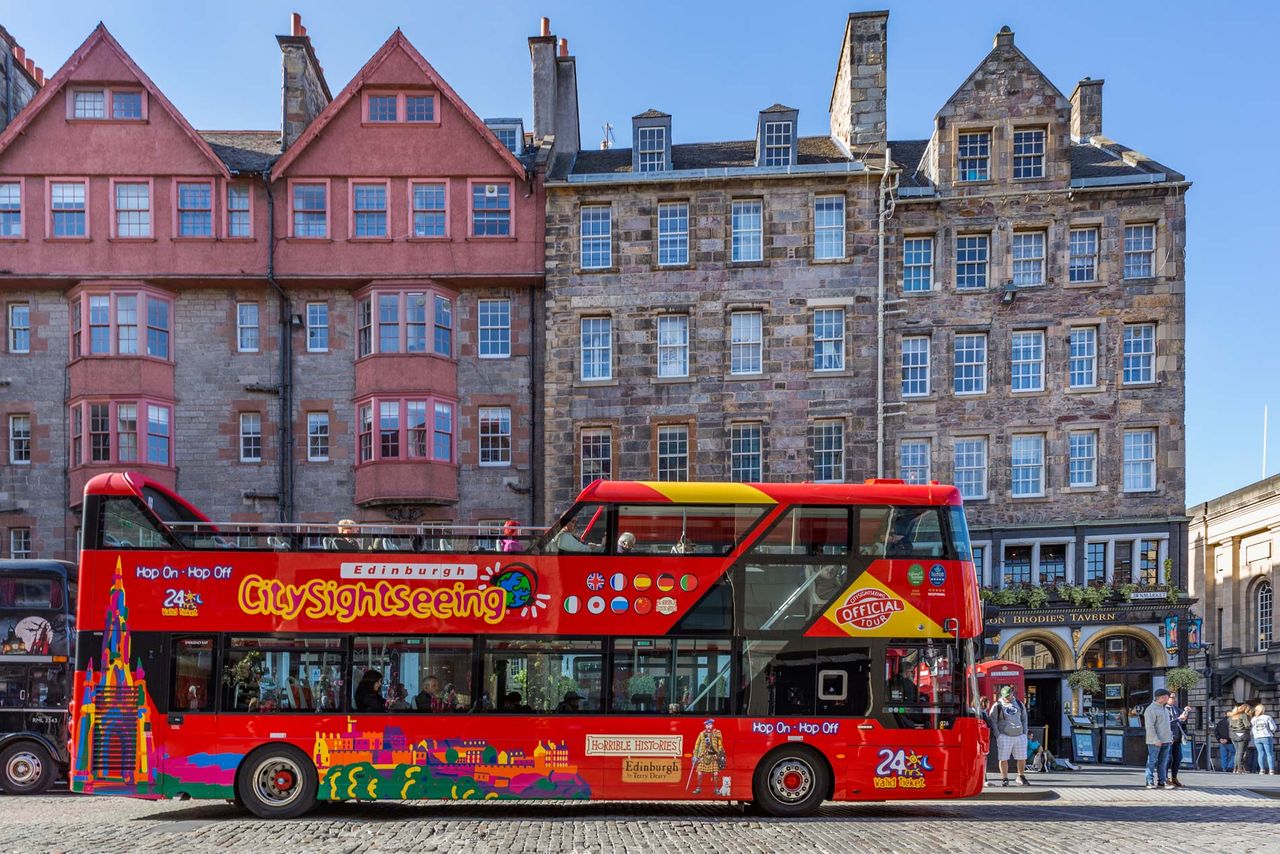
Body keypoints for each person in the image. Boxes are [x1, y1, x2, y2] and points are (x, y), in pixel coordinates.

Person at [989, 685, 1030, 786]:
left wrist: (1024, 733)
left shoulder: (1019, 704)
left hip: (1019, 735)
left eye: (1008, 695)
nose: (1007, 698)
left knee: (1022, 757)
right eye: (1005, 696)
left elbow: (1024, 719)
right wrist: (998, 734)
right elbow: (992, 720)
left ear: (1012, 693)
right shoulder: (997, 705)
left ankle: (1020, 776)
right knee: (1003, 758)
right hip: (1004, 735)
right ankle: (1005, 778)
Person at [1143, 688, 1174, 789]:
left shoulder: (1164, 709)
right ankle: (1149, 781)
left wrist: (1170, 737)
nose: (1168, 699)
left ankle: (1162, 781)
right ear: (1161, 697)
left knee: (1163, 762)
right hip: (1155, 741)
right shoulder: (1151, 710)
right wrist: (1155, 739)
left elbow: (1166, 725)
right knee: (1152, 761)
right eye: (1167, 697)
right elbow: (1149, 726)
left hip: (1166, 740)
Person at [689, 718, 726, 795]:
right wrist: (695, 755)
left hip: (713, 756)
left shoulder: (716, 733)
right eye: (707, 725)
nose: (709, 726)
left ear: (712, 725)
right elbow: (697, 744)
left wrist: (718, 753)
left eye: (710, 724)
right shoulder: (701, 734)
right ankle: (698, 788)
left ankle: (716, 789)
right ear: (705, 726)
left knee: (715, 773)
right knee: (699, 773)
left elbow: (720, 745)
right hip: (703, 756)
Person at [1166, 696, 1190, 787]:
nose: (1173, 699)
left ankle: (1174, 777)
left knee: (1178, 758)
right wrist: (1179, 718)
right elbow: (1166, 723)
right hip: (1168, 737)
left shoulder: (1175, 709)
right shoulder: (1163, 709)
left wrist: (1186, 712)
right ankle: (1165, 778)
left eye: (1174, 698)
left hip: (1177, 738)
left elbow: (1183, 719)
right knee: (1168, 759)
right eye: (1171, 697)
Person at [1251, 702, 1276, 775]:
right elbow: (1273, 727)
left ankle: (1261, 770)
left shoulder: (1253, 719)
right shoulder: (1267, 717)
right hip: (1266, 736)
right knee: (1269, 753)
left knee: (1260, 753)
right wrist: (1272, 731)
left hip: (1257, 737)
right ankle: (1271, 770)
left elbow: (1252, 730)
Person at [1229, 703, 1253, 774]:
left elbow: (1230, 726)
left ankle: (1235, 769)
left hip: (1234, 735)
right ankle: (1239, 769)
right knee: (1241, 753)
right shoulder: (1243, 715)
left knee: (1237, 752)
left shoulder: (1233, 716)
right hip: (1243, 734)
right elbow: (1247, 725)